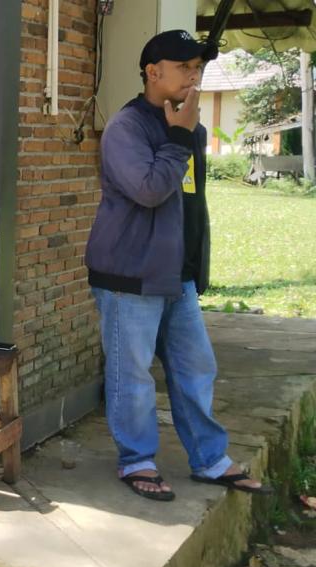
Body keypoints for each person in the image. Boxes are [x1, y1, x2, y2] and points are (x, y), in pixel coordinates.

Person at [86, 30, 270, 501]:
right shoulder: (126, 128)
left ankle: (210, 459)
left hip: (176, 275)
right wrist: (179, 135)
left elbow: (190, 203)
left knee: (196, 370)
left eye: (198, 67)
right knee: (133, 377)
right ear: (153, 72)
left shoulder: (194, 130)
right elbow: (150, 190)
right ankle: (137, 460)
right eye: (184, 66)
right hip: (129, 276)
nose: (194, 75)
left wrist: (197, 265)